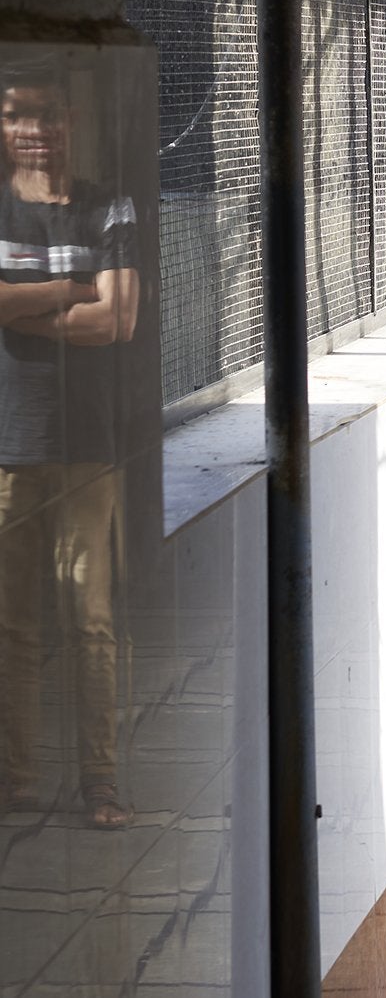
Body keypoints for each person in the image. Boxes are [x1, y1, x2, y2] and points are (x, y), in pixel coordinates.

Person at [0, 63, 141, 829]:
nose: (34, 130)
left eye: (48, 116)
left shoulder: (104, 205)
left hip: (89, 445)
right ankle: (15, 780)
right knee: (11, 621)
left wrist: (19, 311)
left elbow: (117, 319)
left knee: (90, 620)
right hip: (8, 444)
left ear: (70, 123)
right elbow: (87, 305)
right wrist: (70, 291)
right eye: (19, 115)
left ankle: (101, 783)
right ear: (2, 125)